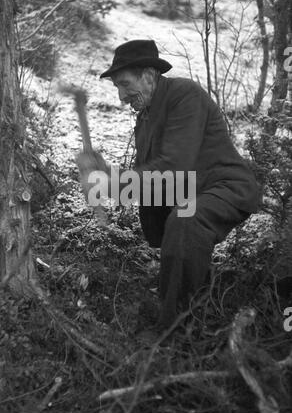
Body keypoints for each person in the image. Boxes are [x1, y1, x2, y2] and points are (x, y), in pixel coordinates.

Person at [76, 39, 260, 336]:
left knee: (186, 218)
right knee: (169, 210)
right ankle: (187, 280)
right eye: (117, 88)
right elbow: (150, 180)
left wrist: (111, 183)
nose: (122, 97)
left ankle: (174, 328)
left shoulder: (184, 95)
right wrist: (103, 172)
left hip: (225, 187)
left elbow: (173, 168)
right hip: (189, 188)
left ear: (149, 75)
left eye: (125, 84)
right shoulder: (145, 118)